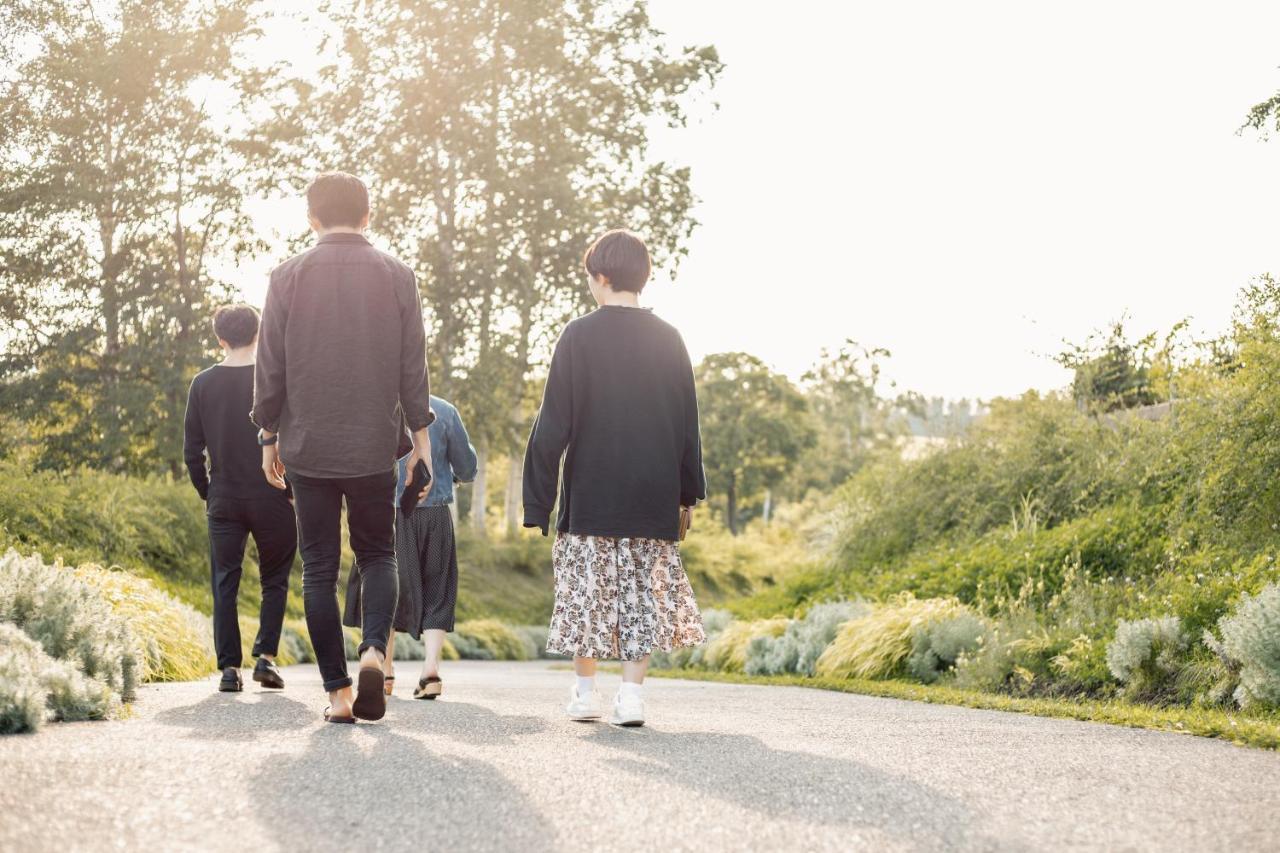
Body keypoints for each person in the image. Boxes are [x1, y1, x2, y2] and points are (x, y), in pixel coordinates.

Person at [252, 171, 435, 724]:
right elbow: (413, 368)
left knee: (319, 570)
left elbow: (270, 365)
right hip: (373, 444)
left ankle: (338, 695)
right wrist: (420, 445)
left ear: (311, 219)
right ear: (368, 216)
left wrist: (268, 435)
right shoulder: (398, 276)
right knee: (378, 553)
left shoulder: (286, 276)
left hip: (307, 444)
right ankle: (375, 653)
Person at [522, 228, 707, 727]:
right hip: (652, 496)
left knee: (588, 593)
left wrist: (538, 502)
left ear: (599, 276)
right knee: (641, 597)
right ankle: (631, 698)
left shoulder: (578, 335)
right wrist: (688, 494)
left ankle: (585, 694)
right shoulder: (670, 338)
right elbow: (688, 426)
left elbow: (552, 424)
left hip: (592, 496)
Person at [183, 304, 297, 693]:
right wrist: (294, 491)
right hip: (274, 493)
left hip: (224, 497)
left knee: (225, 582)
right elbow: (292, 439)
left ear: (220, 338)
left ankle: (229, 669)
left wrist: (208, 492)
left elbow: (191, 452)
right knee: (274, 580)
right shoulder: (275, 381)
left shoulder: (202, 384)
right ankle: (265, 658)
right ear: (259, 334)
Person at [343, 395, 478, 700]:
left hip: (385, 511)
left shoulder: (375, 403)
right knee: (438, 592)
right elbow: (468, 468)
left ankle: (385, 672)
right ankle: (430, 672)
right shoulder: (444, 411)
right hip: (435, 513)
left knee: (383, 586)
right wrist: (449, 475)